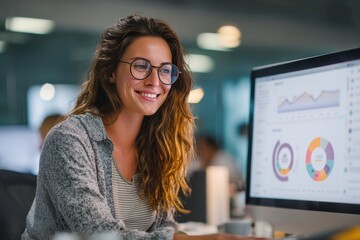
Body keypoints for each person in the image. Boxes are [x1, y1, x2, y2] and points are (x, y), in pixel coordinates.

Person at [22, 15, 267, 240]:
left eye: (165, 70)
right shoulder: (69, 141)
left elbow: (164, 228)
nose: (154, 82)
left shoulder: (157, 143)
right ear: (109, 71)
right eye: (141, 66)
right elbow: (100, 234)